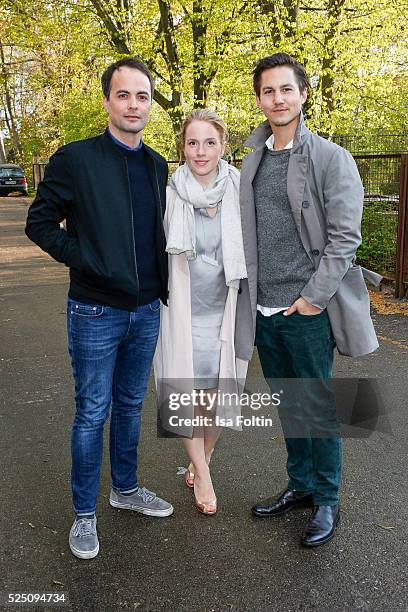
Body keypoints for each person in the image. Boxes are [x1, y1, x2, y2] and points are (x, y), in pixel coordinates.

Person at [25, 58, 174, 560]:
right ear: (107, 101)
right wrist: (85, 260)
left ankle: (125, 490)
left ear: (150, 104)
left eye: (143, 96)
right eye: (124, 95)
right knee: (92, 411)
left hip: (148, 308)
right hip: (95, 310)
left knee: (131, 406)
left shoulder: (156, 164)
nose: (134, 105)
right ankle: (84, 515)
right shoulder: (75, 160)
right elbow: (40, 223)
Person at [240, 53, 379, 547]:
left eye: (286, 89)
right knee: (289, 405)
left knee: (317, 408)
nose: (277, 99)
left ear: (302, 95)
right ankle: (299, 485)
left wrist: (313, 299)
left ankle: (327, 499)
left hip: (305, 309)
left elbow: (345, 238)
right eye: (268, 91)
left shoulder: (329, 158)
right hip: (264, 308)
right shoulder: (252, 158)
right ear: (258, 99)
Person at [154, 109, 253, 515]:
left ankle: (204, 459)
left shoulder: (239, 189)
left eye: (209, 142)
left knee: (217, 397)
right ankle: (202, 472)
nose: (200, 151)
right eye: (192, 142)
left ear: (223, 146)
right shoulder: (170, 193)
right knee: (183, 397)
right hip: (181, 313)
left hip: (225, 311)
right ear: (183, 147)